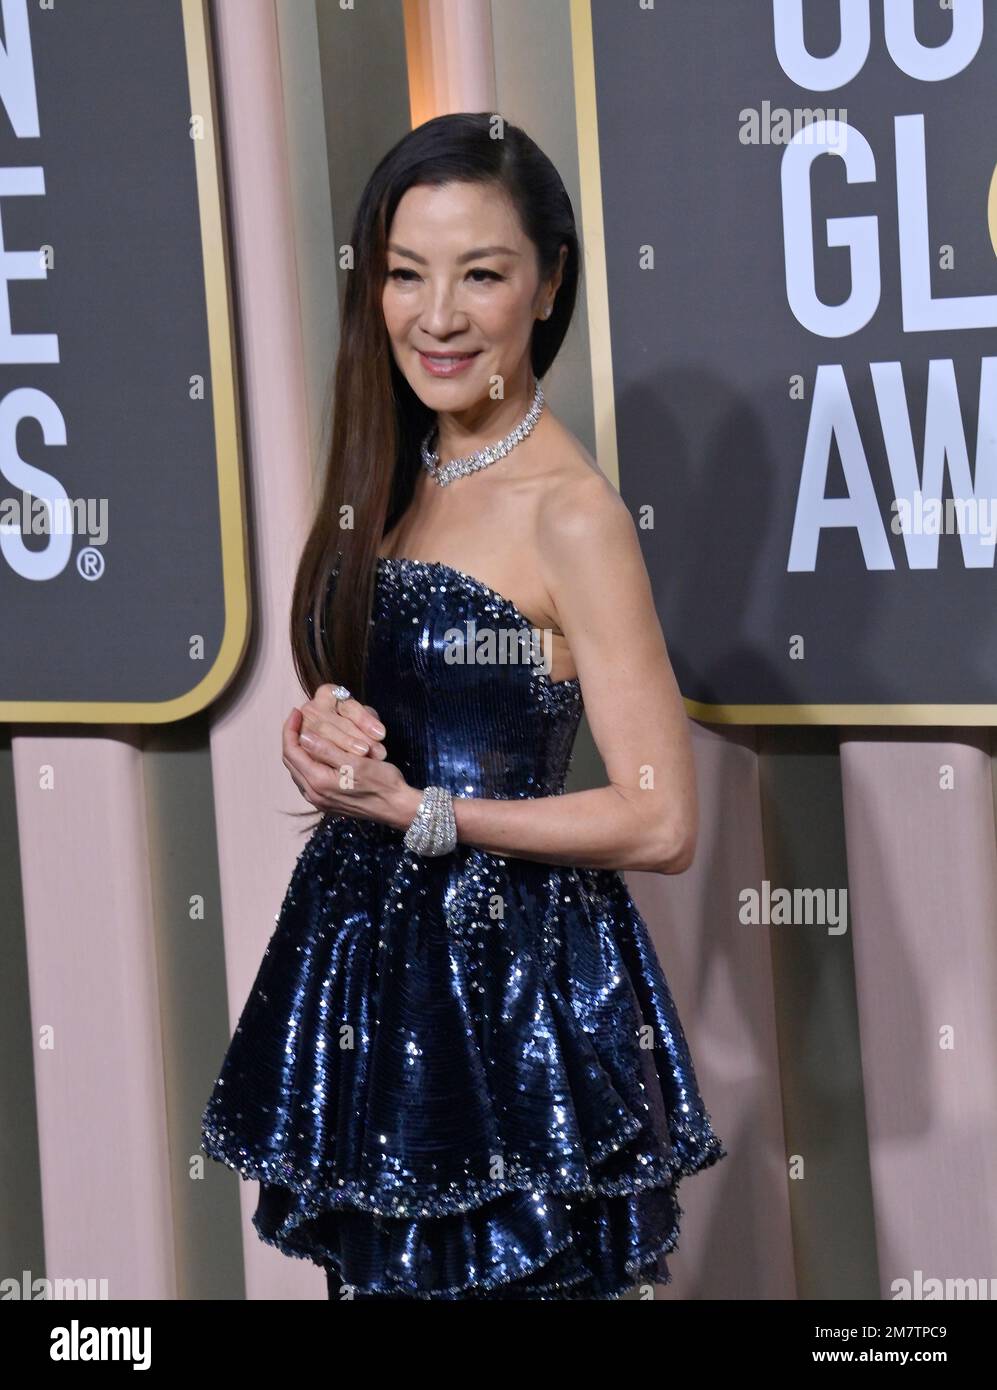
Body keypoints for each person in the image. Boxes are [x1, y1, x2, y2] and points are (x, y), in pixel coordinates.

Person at [201, 111, 725, 1301]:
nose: (435, 316)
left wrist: (425, 812)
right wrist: (327, 737)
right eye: (405, 274)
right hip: (372, 972)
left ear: (547, 286)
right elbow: (413, 697)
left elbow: (660, 820)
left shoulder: (571, 515)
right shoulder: (399, 468)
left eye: (480, 274)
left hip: (509, 996)